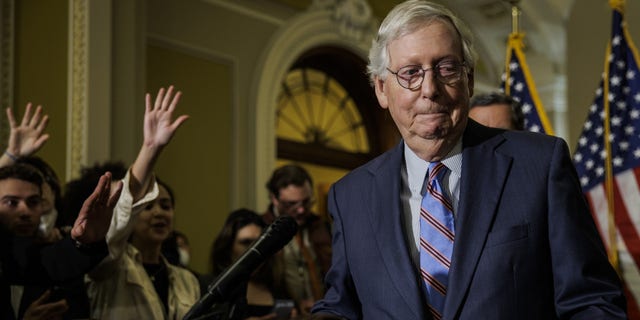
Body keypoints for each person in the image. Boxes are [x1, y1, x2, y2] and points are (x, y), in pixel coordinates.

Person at [311, 1, 627, 319]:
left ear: (469, 79)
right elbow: (341, 305)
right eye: (410, 73)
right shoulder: (350, 196)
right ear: (381, 88)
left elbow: (593, 302)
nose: (430, 89)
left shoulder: (539, 166)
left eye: (446, 68)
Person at [83, 85, 199, 319]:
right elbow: (126, 203)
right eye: (148, 206)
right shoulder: (108, 267)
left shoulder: (187, 280)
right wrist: (151, 149)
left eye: (166, 206)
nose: (159, 213)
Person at [0, 164, 123, 319]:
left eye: (33, 202)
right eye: (11, 202)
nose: (24, 211)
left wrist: (87, 241)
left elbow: (49, 261)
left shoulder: (26, 255)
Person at [263, 164, 331, 315]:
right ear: (274, 199)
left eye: (306, 202)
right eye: (291, 204)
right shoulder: (262, 230)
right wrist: (289, 306)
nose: (301, 210)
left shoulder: (321, 227)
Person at [207, 208, 295, 319]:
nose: (253, 249)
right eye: (245, 242)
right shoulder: (211, 290)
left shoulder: (278, 286)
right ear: (228, 248)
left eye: (258, 243)